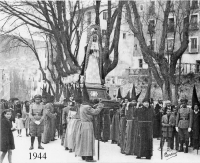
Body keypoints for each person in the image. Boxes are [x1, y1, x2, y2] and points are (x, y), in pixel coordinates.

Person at [75, 84, 104, 162]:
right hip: (87, 125)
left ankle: (84, 155)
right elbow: (95, 112)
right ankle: (89, 157)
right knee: (89, 140)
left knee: (83, 140)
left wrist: (95, 106)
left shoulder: (82, 106)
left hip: (82, 124)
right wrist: (100, 105)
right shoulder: (87, 107)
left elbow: (90, 109)